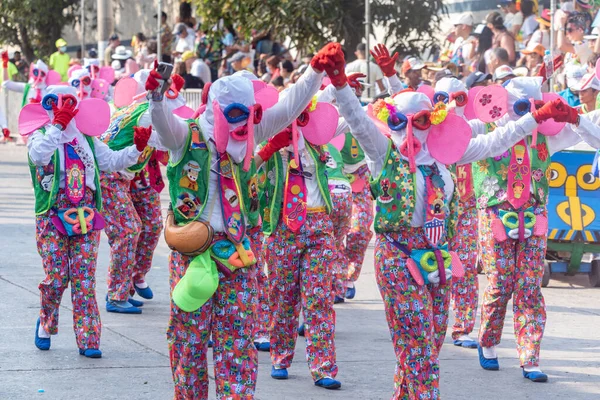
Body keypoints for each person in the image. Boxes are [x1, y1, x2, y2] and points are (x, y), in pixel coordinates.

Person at [334, 42, 570, 398]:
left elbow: (497, 140)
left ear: (434, 121)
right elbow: (356, 118)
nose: (410, 129)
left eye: (421, 121)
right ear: (391, 121)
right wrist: (338, 84)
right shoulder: (381, 153)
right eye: (400, 122)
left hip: (438, 256)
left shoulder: (447, 154)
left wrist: (534, 118)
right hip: (396, 254)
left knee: (427, 340)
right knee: (415, 334)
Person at [144, 43, 332, 399]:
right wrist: (156, 97)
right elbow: (165, 127)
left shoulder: (250, 133)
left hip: (239, 256)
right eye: (233, 114)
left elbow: (291, 104)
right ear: (215, 109)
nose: (243, 124)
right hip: (193, 256)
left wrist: (315, 71)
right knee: (189, 343)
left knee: (239, 345)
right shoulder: (188, 136)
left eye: (249, 115)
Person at [473, 76, 600, 383]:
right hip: (496, 215)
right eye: (521, 106)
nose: (530, 113)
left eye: (536, 106)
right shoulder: (489, 129)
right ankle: (488, 341)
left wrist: (574, 118)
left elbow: (596, 139)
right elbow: (462, 139)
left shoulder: (547, 137)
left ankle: (530, 356)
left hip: (535, 216)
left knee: (529, 287)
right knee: (500, 283)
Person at [26, 85, 149, 358]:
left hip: (86, 215)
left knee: (83, 279)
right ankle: (45, 323)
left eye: (69, 102)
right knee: (57, 278)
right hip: (51, 216)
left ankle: (89, 339)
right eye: (57, 103)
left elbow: (112, 161)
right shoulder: (40, 135)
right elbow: (38, 157)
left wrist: (137, 148)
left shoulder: (88, 140)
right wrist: (57, 125)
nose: (64, 108)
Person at [100, 70, 186, 314]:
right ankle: (116, 296)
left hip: (121, 176)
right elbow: (171, 141)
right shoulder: (147, 116)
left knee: (146, 226)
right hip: (110, 177)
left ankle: (126, 285)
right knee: (127, 231)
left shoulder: (138, 109)